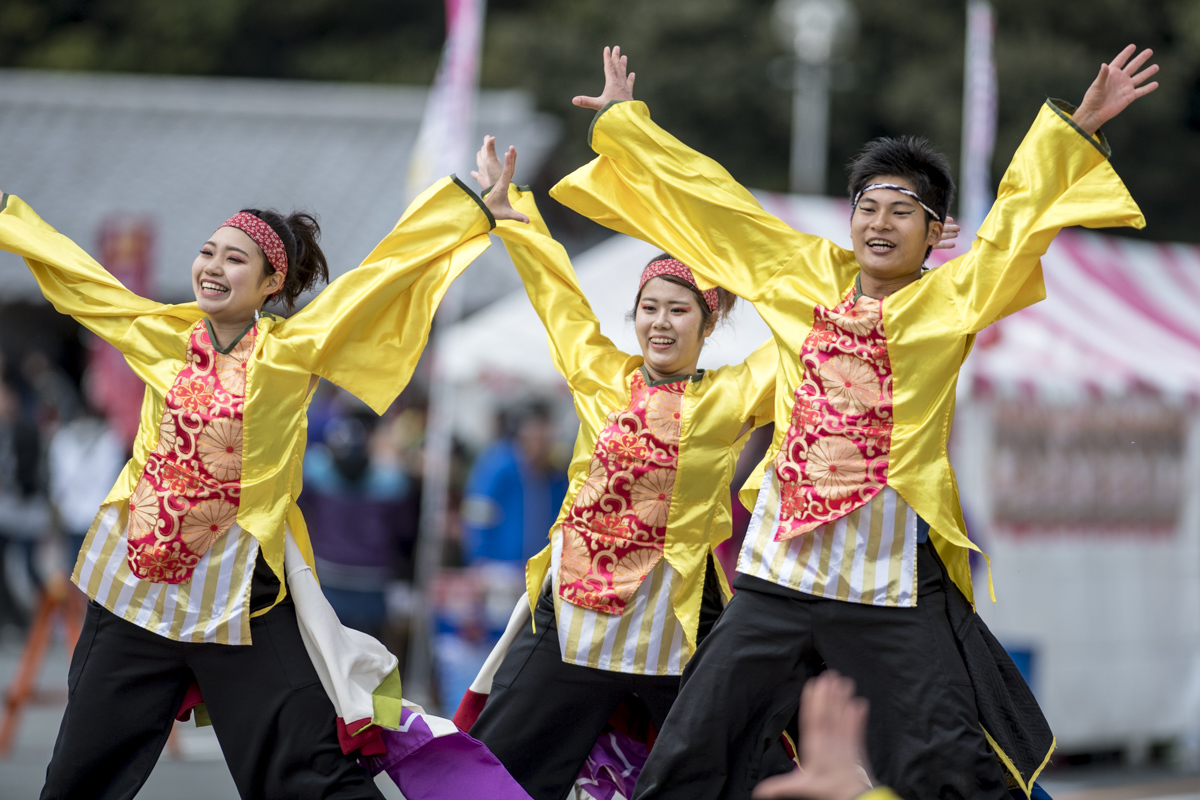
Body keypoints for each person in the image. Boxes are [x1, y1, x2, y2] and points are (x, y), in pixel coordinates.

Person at [553, 44, 1155, 800]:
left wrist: (1077, 130)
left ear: (934, 235)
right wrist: (625, 123)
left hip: (883, 587)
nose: (880, 222)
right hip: (779, 574)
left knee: (947, 763)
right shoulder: (796, 273)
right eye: (867, 207)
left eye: (902, 211)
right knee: (696, 742)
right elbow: (714, 202)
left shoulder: (952, 302)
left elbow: (1016, 227)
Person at [0, 152, 524, 797]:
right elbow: (81, 281)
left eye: (235, 258)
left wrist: (470, 211)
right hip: (136, 594)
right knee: (78, 779)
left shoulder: (291, 354)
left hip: (238, 600)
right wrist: (6, 218)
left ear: (272, 283)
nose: (213, 267)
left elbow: (380, 275)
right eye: (208, 252)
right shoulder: (160, 333)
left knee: (306, 775)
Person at [454, 133, 779, 800]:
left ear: (708, 321)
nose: (659, 323)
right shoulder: (601, 376)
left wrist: (893, 280)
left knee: (735, 772)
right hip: (575, 617)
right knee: (499, 773)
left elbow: (808, 335)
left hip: (676, 624)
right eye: (649, 309)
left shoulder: (733, 394)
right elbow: (557, 295)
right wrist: (512, 211)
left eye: (678, 310)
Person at [462, 399, 568, 565]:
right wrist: (479, 557)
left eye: (546, 435)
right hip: (498, 566)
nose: (542, 441)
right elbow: (478, 512)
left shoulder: (553, 475)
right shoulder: (498, 464)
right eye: (537, 433)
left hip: (539, 567)